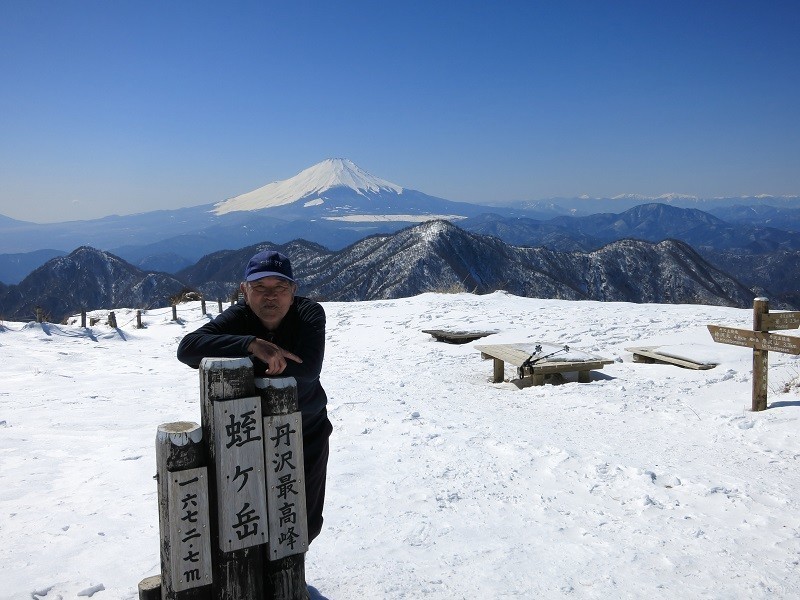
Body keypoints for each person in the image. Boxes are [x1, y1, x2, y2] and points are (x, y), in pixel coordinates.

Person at [177, 249, 332, 543]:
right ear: (244, 290)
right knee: (247, 516)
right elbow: (187, 349)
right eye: (259, 287)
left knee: (303, 519)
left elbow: (308, 370)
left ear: (293, 291)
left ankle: (290, 577)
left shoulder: (309, 312)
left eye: (280, 288)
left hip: (305, 432)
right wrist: (251, 345)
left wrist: (237, 359)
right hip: (246, 437)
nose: (270, 296)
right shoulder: (239, 318)